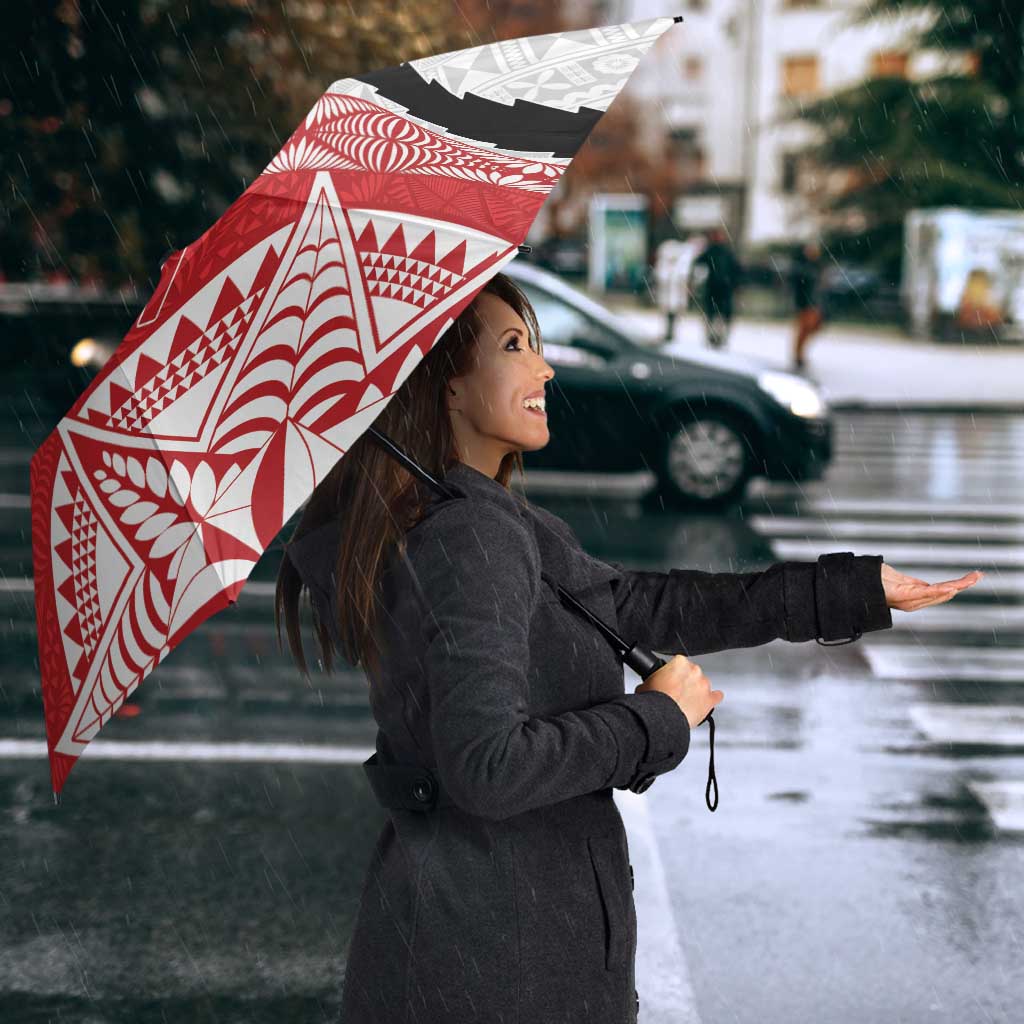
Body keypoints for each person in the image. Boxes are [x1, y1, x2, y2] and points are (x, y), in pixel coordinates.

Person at [275, 272, 976, 1024]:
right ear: (446, 386)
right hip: (499, 963)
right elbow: (487, 768)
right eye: (515, 346)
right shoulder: (469, 537)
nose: (544, 368)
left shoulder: (475, 517)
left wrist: (849, 591)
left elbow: (639, 605)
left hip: (482, 941)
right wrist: (656, 719)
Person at [692, 226, 742, 349]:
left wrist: (735, 284)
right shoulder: (712, 251)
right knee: (713, 314)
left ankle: (719, 337)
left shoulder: (725, 252)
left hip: (723, 288)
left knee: (720, 315)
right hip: (715, 288)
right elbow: (698, 264)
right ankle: (713, 337)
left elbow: (736, 270)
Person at [790, 239, 826, 371]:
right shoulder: (802, 267)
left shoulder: (817, 266)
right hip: (805, 303)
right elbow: (799, 286)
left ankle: (800, 354)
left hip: (814, 303)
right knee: (804, 329)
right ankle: (798, 355)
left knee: (812, 328)